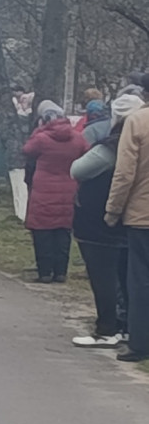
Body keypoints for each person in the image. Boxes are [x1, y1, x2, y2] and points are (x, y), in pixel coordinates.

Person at [70, 94, 144, 347]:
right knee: (129, 278)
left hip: (100, 220)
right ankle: (128, 327)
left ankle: (107, 328)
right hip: (134, 219)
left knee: (103, 276)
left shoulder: (111, 147)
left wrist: (112, 210)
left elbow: (77, 170)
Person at [22, 102, 86, 283]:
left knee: (42, 230)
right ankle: (61, 272)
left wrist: (39, 131)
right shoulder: (77, 137)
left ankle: (44, 272)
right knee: (63, 229)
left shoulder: (42, 138)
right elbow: (86, 151)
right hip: (68, 186)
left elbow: (27, 150)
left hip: (44, 188)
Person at [107, 90, 149, 361]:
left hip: (142, 215)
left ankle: (141, 342)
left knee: (140, 280)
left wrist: (113, 209)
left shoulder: (137, 121)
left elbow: (124, 173)